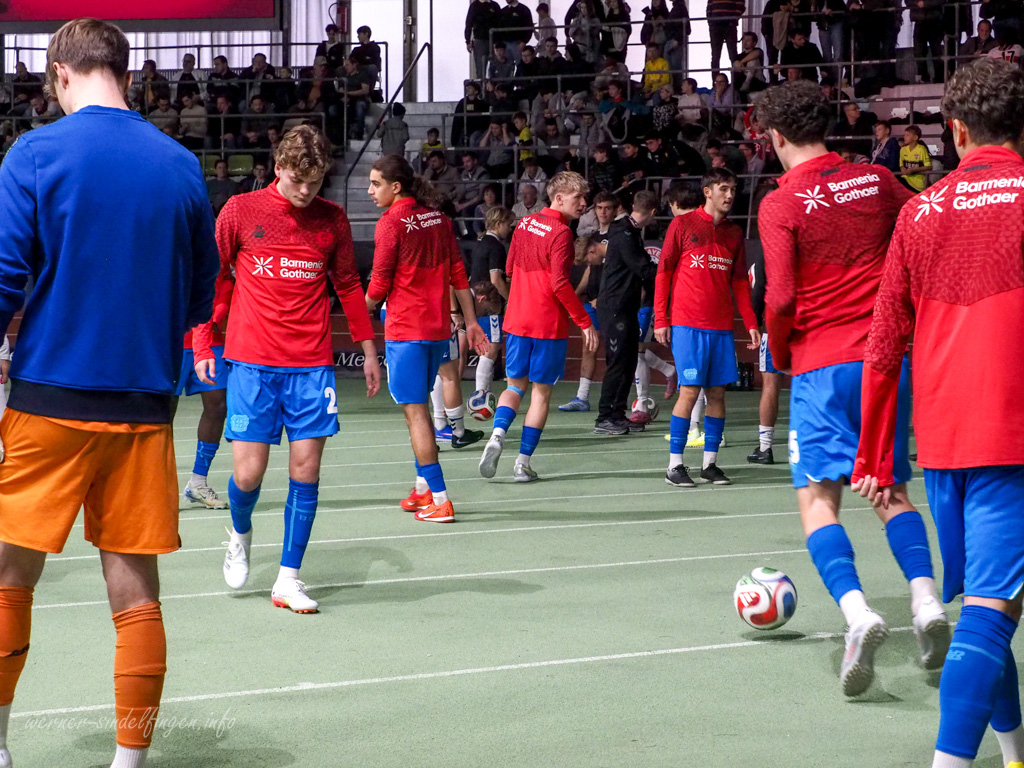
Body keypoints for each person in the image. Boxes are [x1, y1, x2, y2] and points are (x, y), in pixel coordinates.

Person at [0, 18, 219, 768]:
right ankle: (130, 761)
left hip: (47, 402)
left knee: (8, 579)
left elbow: (4, 279)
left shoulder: (35, 153)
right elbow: (199, 297)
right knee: (136, 595)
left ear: (60, 73)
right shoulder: (181, 165)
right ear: (125, 72)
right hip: (144, 406)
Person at [853, 58, 1024, 768]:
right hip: (1013, 430)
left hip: (948, 441)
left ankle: (1014, 755)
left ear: (955, 130)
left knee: (992, 603)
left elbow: (883, 343)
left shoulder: (918, 213)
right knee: (991, 614)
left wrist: (873, 455)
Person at [755, 79, 947, 698]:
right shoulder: (878, 180)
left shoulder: (780, 202)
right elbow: (927, 224)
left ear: (774, 136)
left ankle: (858, 614)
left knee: (818, 500)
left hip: (822, 361)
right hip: (887, 360)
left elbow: (781, 296)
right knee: (890, 489)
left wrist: (780, 350)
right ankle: (925, 602)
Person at [196, 126, 381, 613]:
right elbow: (210, 278)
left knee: (307, 469)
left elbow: (347, 284)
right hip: (251, 363)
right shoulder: (240, 210)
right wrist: (202, 343)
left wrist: (368, 348)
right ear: (277, 168)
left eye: (315, 183)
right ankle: (239, 533)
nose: (305, 191)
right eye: (298, 180)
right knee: (248, 475)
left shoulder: (332, 219)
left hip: (311, 366)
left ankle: (288, 578)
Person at [366, 156, 488, 523]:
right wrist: (471, 321)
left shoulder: (390, 223)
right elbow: (458, 274)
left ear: (396, 186)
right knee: (417, 412)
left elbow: (379, 284)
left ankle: (441, 499)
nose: (370, 191)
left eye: (376, 184)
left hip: (406, 330)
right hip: (438, 329)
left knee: (416, 414)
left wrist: (357, 311)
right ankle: (422, 489)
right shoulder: (439, 220)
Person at [479, 171, 599, 481]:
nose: (583, 204)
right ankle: (522, 463)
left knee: (513, 387)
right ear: (559, 198)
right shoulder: (562, 233)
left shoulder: (523, 224)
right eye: (578, 198)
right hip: (547, 323)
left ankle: (497, 435)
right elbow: (559, 283)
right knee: (541, 395)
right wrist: (584, 321)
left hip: (517, 318)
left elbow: (508, 269)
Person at [654, 168, 759, 488]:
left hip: (721, 327)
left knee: (717, 394)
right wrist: (661, 318)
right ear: (708, 191)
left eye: (734, 189)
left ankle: (709, 464)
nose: (730, 195)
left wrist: (750, 322)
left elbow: (740, 281)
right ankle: (674, 466)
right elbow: (663, 272)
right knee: (689, 391)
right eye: (724, 188)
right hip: (688, 325)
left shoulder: (734, 233)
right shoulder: (682, 224)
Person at [594, 191, 660, 434]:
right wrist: (672, 271)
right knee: (618, 362)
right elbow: (644, 269)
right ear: (653, 212)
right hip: (615, 308)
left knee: (628, 361)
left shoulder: (628, 232)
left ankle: (617, 414)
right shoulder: (625, 234)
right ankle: (605, 416)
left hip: (625, 307)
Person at [559, 191, 618, 413]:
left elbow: (622, 273)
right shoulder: (593, 236)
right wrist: (575, 294)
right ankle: (582, 397)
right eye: (599, 208)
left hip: (610, 304)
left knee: (620, 350)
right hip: (591, 303)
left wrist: (603, 298)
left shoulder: (619, 235)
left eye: (608, 208)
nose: (603, 212)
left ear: (615, 210)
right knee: (589, 346)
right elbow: (590, 270)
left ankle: (624, 398)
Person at [470, 206, 514, 402]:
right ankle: (480, 396)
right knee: (491, 349)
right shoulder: (496, 246)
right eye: (508, 224)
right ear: (498, 224)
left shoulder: (480, 243)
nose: (509, 229)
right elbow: (495, 280)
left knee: (486, 348)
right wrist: (510, 300)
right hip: (490, 304)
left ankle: (483, 394)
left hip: (477, 301)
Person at [466, 0, 503, 81]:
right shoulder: (474, 6)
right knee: (481, 69)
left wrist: (499, 41)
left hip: (494, 41)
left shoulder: (495, 5)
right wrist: (468, 41)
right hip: (480, 41)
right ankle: (481, 87)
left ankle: (497, 87)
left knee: (497, 66)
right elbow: (469, 23)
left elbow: (500, 23)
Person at [707, 0, 745, 75]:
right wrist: (710, 21)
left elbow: (740, 5)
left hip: (728, 25)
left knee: (733, 54)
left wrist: (733, 19)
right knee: (715, 56)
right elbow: (709, 6)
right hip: (716, 25)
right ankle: (716, 80)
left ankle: (736, 79)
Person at [899, 124, 932, 191]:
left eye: (907, 135)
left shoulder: (921, 149)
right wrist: (902, 168)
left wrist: (914, 170)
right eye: (904, 135)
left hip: (918, 184)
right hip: (905, 179)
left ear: (915, 137)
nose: (904, 137)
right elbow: (901, 164)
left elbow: (928, 167)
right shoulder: (903, 150)